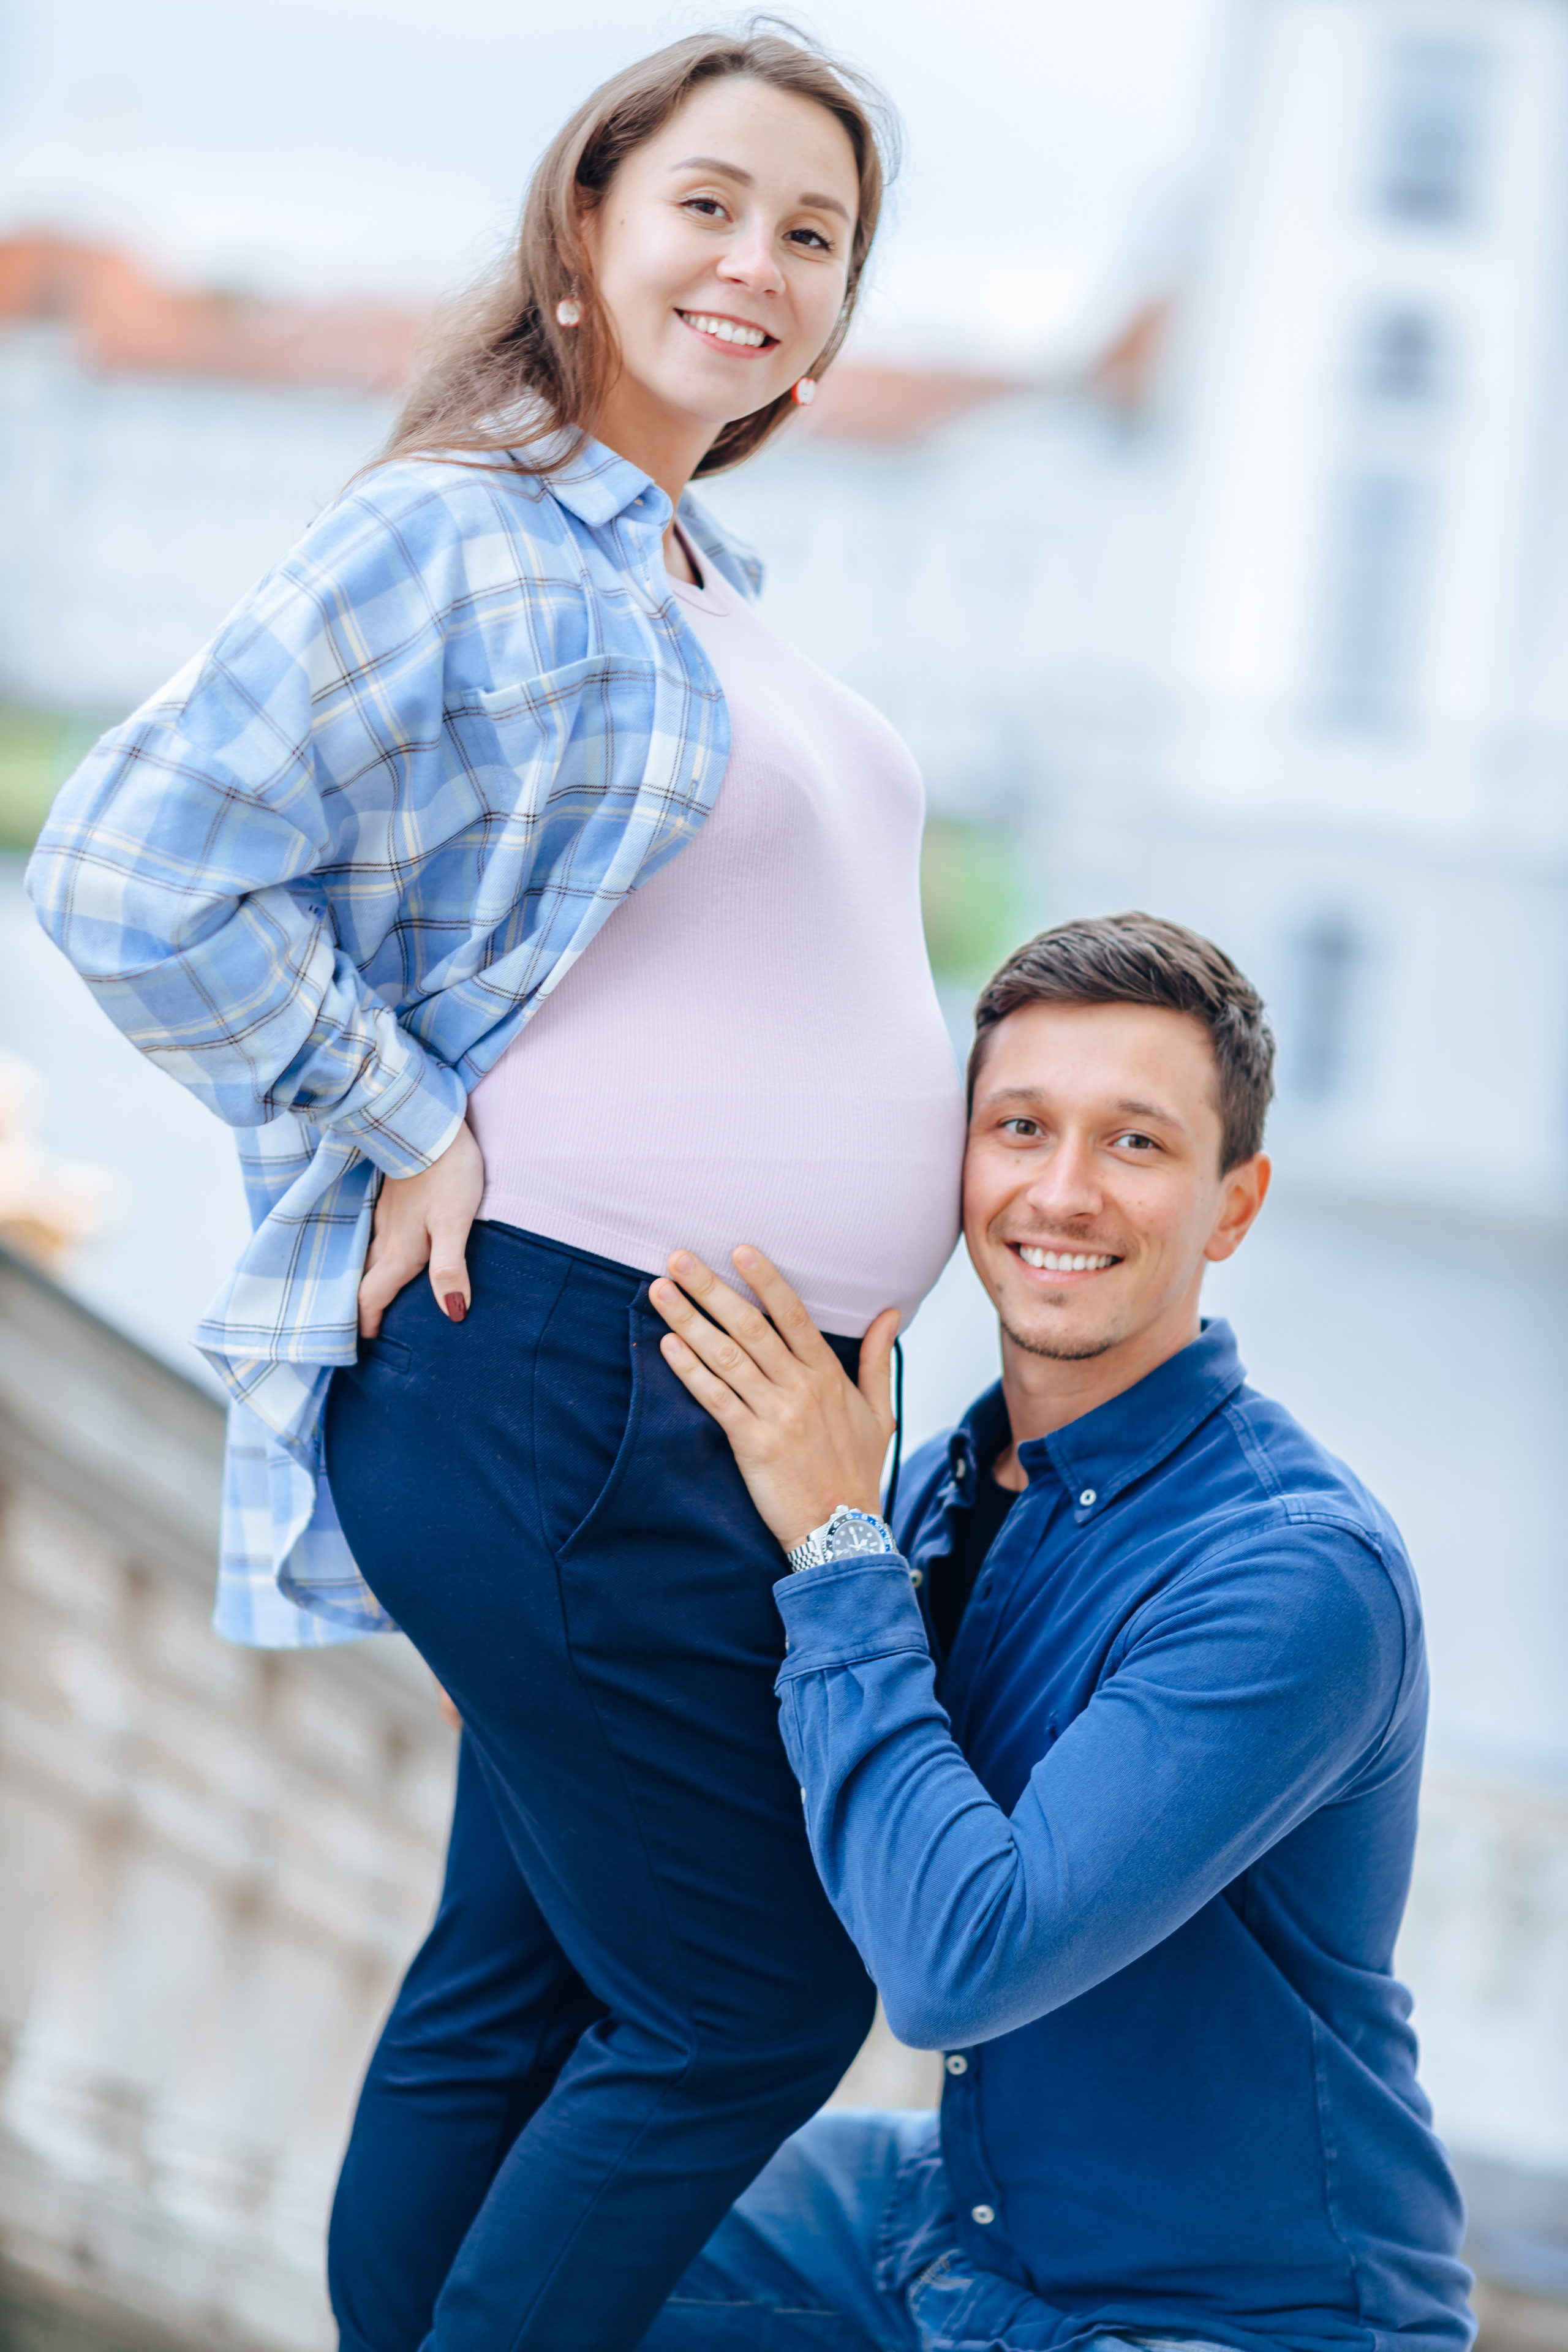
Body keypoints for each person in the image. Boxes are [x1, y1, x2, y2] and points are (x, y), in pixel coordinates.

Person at [26, 26, 967, 2351]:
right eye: (710, 203)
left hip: (705, 1415)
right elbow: (132, 866)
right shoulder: (461, 528)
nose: (759, 262)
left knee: (522, 1978)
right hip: (559, 1375)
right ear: (584, 227)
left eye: (815, 235)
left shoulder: (697, 571)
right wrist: (404, 1116)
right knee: (752, 1996)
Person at [643, 911, 1475, 2352]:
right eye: (1019, 1128)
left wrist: (834, 1543)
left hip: (1231, 2320)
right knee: (533, 2222)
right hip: (961, 2225)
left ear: (1231, 1205)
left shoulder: (1292, 1574)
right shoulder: (940, 1490)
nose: (1062, 1191)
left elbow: (958, 1961)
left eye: (1134, 1143)